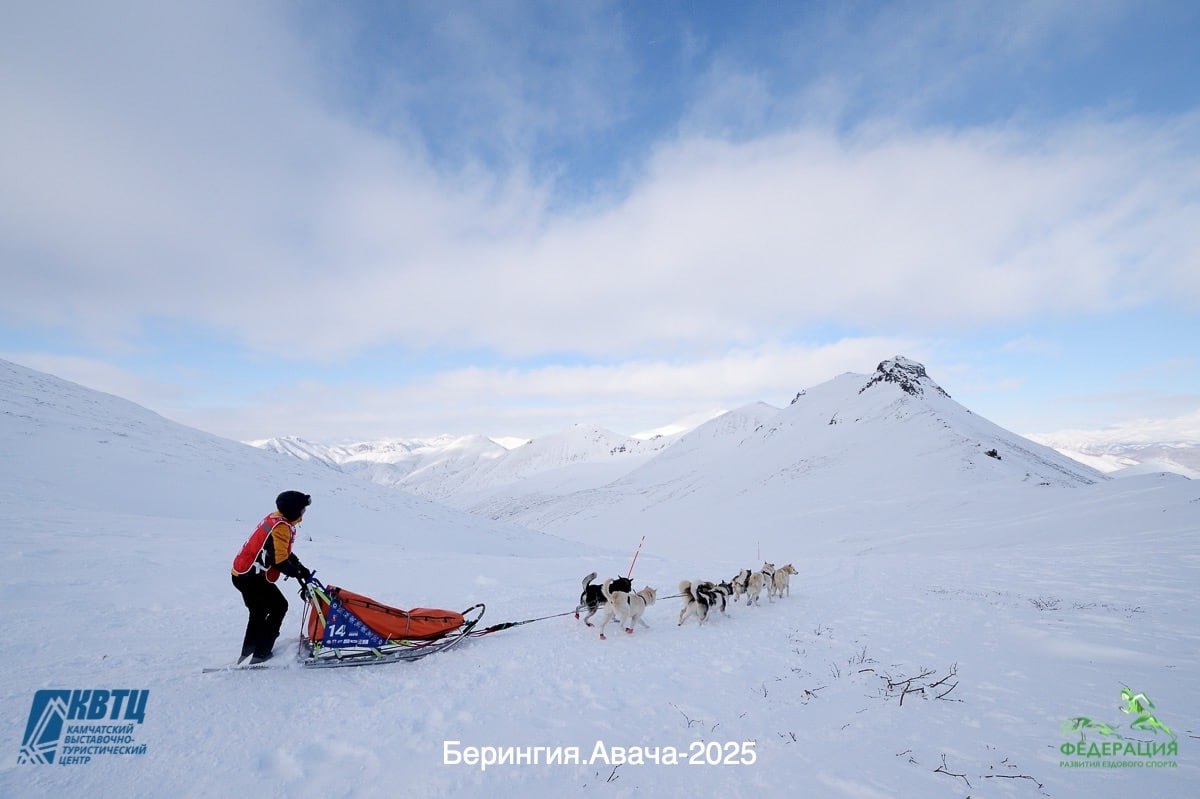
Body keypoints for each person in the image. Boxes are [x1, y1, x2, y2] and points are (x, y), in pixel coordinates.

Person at [231, 490, 313, 664]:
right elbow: (279, 560)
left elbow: (280, 551)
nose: (304, 512)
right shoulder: (281, 527)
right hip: (250, 577)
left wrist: (300, 567)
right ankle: (261, 653)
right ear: (293, 510)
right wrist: (296, 572)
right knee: (279, 606)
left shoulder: (275, 519)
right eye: (302, 509)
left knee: (259, 612)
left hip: (242, 573)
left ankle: (249, 653)